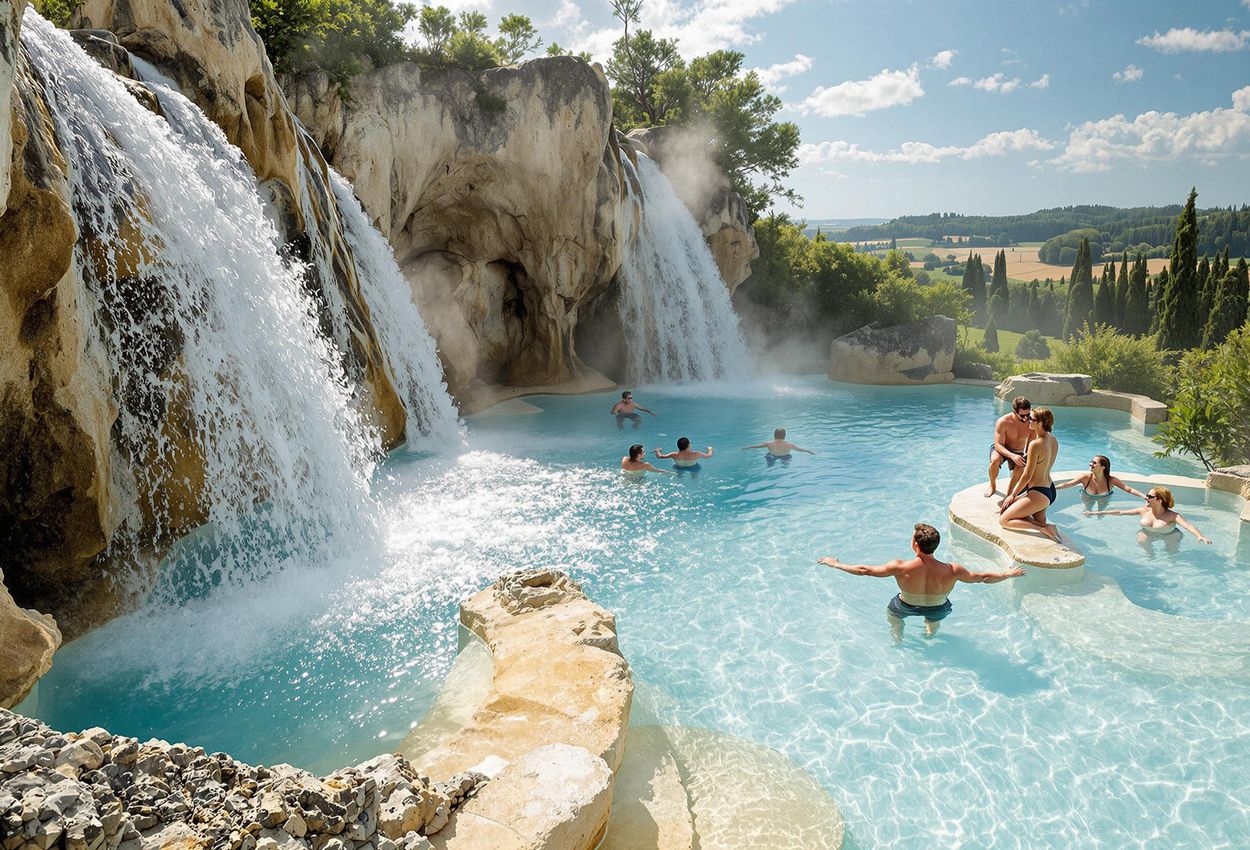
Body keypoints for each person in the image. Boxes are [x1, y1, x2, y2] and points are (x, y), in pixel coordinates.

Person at [818, 523, 1025, 640]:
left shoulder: (900, 567)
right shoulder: (952, 570)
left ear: (914, 544)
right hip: (937, 608)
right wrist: (1008, 574)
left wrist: (835, 564)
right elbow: (983, 578)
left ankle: (897, 638)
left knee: (894, 615)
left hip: (904, 605)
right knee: (933, 623)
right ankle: (930, 635)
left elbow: (865, 571)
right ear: (935, 545)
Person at [998, 407, 1062, 543]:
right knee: (1035, 519)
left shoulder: (1035, 444)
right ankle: (1046, 528)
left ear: (1040, 423)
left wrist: (1012, 495)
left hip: (1038, 492)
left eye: (1032, 419)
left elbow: (1027, 475)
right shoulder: (1053, 440)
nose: (1028, 421)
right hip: (1049, 489)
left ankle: (1045, 528)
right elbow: (1045, 464)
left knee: (1004, 519)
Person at [1084, 486, 1213, 544]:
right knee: (1141, 539)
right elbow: (1121, 512)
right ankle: (1151, 557)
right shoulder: (1143, 510)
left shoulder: (1172, 516)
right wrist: (1097, 512)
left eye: (1149, 496)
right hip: (1148, 532)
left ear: (1159, 500)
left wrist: (1200, 536)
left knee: (1171, 553)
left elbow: (1187, 526)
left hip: (1170, 535)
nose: (1146, 497)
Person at [986, 396, 1033, 499]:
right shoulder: (1003, 422)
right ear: (1014, 412)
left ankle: (1009, 493)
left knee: (1022, 465)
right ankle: (992, 486)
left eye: (1028, 414)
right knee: (994, 461)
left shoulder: (1032, 423)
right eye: (1022, 415)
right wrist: (1012, 456)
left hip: (1019, 451)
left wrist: (1026, 459)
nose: (1025, 418)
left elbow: (1031, 445)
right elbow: (998, 445)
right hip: (1002, 449)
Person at [1055, 455, 1146, 504]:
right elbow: (1067, 484)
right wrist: (1053, 488)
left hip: (1104, 499)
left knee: (1100, 514)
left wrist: (1144, 496)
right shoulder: (1085, 478)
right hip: (1087, 497)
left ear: (1102, 467)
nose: (1091, 464)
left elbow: (1129, 489)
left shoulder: (1111, 481)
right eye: (1091, 461)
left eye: (1094, 463)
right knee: (1087, 512)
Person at [742, 428, 814, 466]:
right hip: (785, 456)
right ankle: (784, 465)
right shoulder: (789, 444)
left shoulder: (769, 443)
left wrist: (749, 446)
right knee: (785, 465)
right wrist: (809, 451)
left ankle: (770, 466)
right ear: (784, 435)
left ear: (774, 435)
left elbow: (758, 446)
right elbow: (800, 449)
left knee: (770, 465)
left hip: (771, 456)